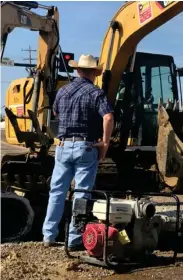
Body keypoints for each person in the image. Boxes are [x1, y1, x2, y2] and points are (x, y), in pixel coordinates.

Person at [42, 54, 114, 251]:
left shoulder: (62, 91)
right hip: (85, 147)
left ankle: (49, 235)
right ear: (94, 73)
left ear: (78, 70)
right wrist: (105, 143)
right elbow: (107, 117)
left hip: (63, 146)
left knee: (57, 191)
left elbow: (56, 113)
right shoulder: (95, 93)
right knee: (81, 193)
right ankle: (73, 239)